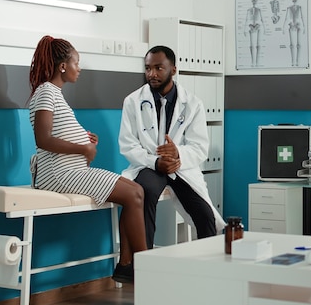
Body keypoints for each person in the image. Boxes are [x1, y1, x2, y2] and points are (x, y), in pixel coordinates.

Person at [28, 35, 147, 284]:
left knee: (136, 191)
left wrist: (84, 139)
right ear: (63, 66)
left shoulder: (55, 94)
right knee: (134, 194)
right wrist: (82, 149)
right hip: (58, 176)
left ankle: (127, 265)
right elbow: (43, 139)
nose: (78, 68)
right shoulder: (46, 92)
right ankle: (144, 266)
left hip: (71, 172)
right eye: (76, 63)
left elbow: (57, 133)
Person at [119, 45, 225, 248]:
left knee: (205, 214)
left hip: (180, 168)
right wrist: (156, 161)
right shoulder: (133, 101)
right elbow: (128, 144)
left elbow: (200, 146)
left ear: (173, 70)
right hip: (149, 166)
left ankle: (211, 267)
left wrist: (177, 154)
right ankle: (142, 261)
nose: (152, 74)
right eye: (148, 68)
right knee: (145, 193)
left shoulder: (193, 104)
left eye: (159, 68)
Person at [283, 0, 306, 66]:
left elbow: (301, 17)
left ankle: (297, 62)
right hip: (291, 26)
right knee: (292, 44)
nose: (294, 1)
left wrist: (304, 27)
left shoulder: (299, 8)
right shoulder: (289, 8)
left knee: (298, 44)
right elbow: (286, 18)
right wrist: (283, 27)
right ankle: (293, 61)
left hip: (297, 26)